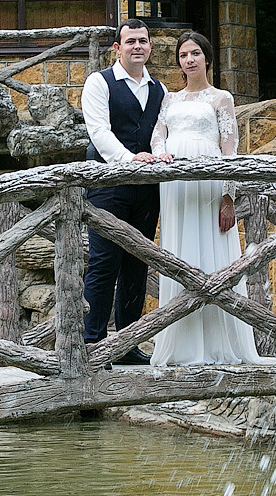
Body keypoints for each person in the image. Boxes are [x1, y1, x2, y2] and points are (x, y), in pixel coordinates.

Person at [148, 30, 260, 366]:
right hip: (175, 185)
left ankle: (217, 341)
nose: (190, 60)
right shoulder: (169, 100)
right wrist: (161, 156)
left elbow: (230, 149)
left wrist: (229, 196)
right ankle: (180, 341)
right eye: (183, 55)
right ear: (179, 62)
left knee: (212, 253)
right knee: (179, 250)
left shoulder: (221, 98)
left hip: (210, 184)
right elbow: (158, 137)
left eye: (195, 53)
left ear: (207, 58)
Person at [80, 19, 164, 364]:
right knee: (104, 262)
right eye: (130, 41)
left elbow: (161, 133)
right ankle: (93, 344)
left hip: (146, 190)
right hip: (108, 185)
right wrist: (130, 159)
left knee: (137, 263)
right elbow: (99, 132)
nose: (137, 47)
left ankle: (127, 345)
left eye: (143, 41)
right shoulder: (99, 83)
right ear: (118, 48)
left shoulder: (159, 89)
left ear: (149, 47)